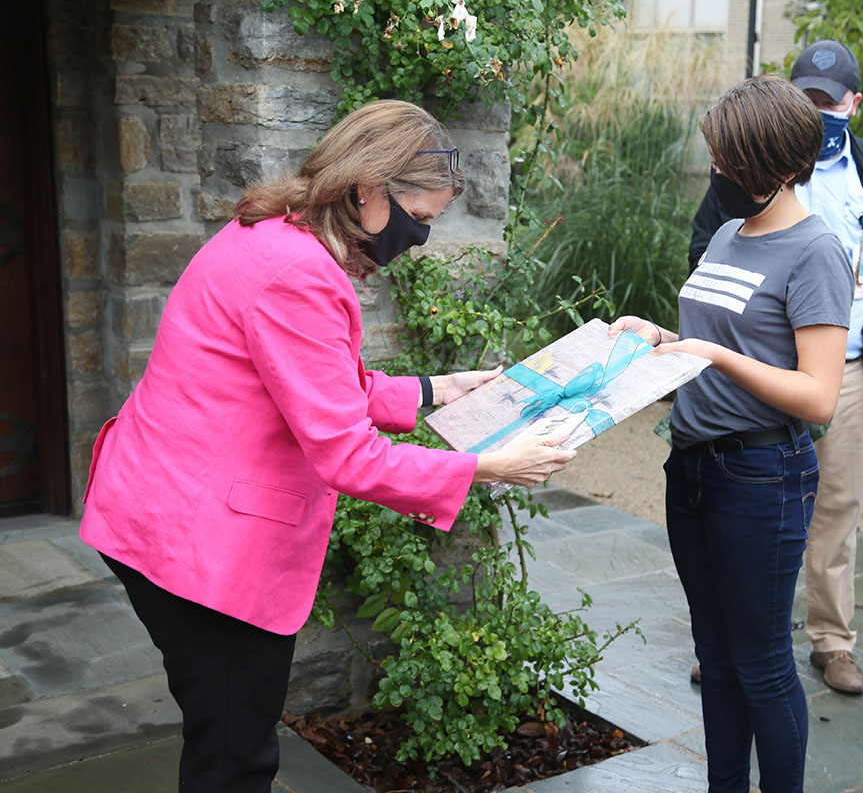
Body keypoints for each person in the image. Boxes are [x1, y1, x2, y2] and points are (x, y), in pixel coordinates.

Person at [78, 100, 576, 793]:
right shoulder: (298, 275)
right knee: (234, 757)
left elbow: (311, 382)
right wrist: (487, 466)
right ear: (369, 188)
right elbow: (347, 454)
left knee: (228, 742)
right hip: (199, 545)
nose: (420, 238)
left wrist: (435, 389)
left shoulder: (274, 233)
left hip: (161, 506)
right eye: (420, 220)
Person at [612, 74, 852, 792]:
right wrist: (656, 335)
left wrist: (718, 355)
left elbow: (818, 397)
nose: (717, 171)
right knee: (714, 656)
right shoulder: (725, 232)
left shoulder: (816, 253)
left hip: (761, 478)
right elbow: (708, 340)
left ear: (779, 170)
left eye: (729, 161)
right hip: (692, 469)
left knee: (761, 664)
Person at [688, 39, 863, 695]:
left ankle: (832, 638)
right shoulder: (747, 172)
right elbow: (702, 257)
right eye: (807, 99)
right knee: (742, 509)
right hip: (757, 369)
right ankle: (732, 640)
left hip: (847, 370)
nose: (818, 110)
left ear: (855, 103)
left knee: (836, 507)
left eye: (829, 100)